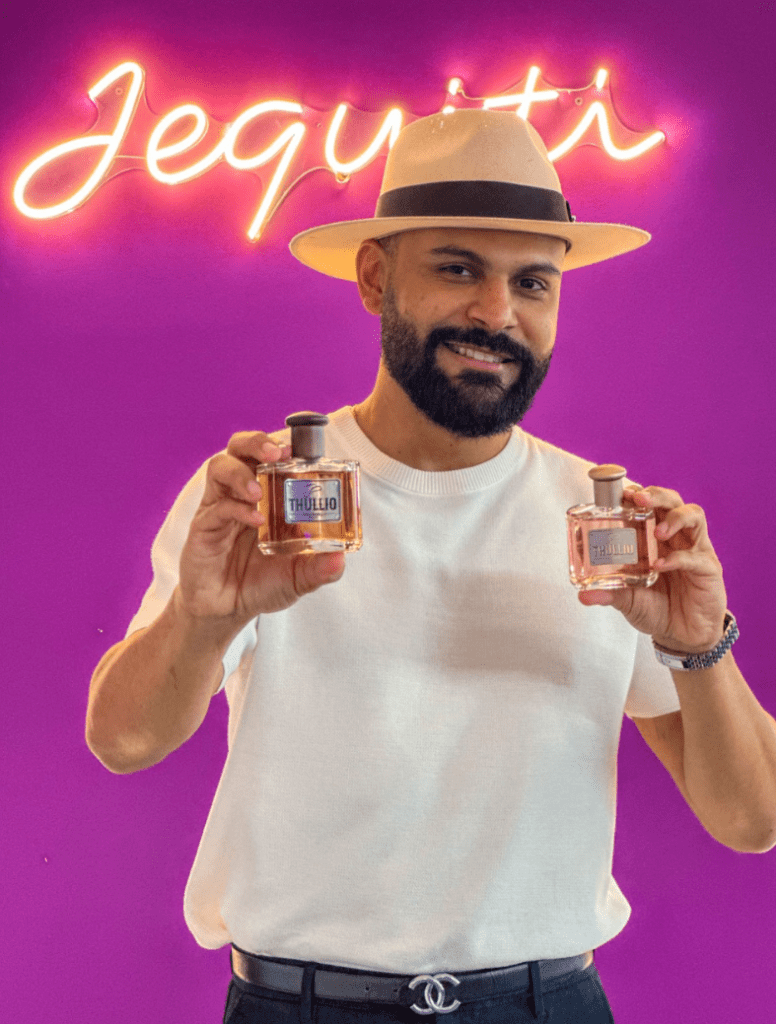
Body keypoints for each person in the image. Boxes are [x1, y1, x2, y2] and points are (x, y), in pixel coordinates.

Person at [86, 110, 776, 1024]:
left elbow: (753, 820)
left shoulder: (610, 526)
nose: (497, 313)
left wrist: (700, 648)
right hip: (301, 1004)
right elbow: (123, 740)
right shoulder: (265, 502)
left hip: (547, 1003)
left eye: (532, 282)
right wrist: (204, 620)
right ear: (376, 278)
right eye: (458, 269)